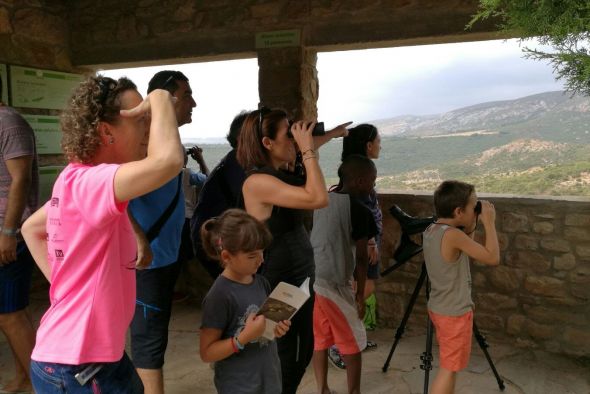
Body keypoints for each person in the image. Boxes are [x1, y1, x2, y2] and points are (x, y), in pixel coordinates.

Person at [21, 75, 183, 393]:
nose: (149, 129)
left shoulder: (77, 182)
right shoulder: (88, 183)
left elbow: (33, 228)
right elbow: (168, 161)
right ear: (106, 132)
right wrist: (161, 98)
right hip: (77, 366)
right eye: (140, 118)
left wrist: (70, 286)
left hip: (95, 358)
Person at [237, 107, 348, 393]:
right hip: (280, 282)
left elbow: (298, 153)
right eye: (289, 135)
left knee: (296, 348)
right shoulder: (258, 182)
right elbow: (318, 197)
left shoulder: (278, 173)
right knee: (288, 352)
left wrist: (329, 136)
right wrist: (309, 150)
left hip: (297, 277)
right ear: (267, 143)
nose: (294, 142)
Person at [127, 70, 197, 394]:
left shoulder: (162, 136)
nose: (193, 102)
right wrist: (137, 235)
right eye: (186, 95)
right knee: (148, 338)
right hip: (147, 261)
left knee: (155, 334)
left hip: (163, 256)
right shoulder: (142, 138)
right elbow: (109, 189)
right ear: (167, 98)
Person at [199, 209, 291, 394]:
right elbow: (207, 352)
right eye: (252, 256)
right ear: (226, 257)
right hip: (239, 386)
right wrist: (243, 338)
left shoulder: (261, 282)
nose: (261, 260)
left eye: (262, 252)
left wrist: (277, 327)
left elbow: (266, 327)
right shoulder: (219, 295)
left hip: (269, 379)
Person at [423, 180, 500, 394]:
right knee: (449, 368)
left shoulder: (433, 230)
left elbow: (465, 250)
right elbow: (492, 257)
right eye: (473, 206)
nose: (476, 209)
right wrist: (489, 222)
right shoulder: (453, 235)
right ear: (458, 211)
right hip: (454, 312)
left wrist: (472, 221)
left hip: (440, 306)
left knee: (450, 365)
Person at [311, 155, 378, 394]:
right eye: (372, 180)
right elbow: (361, 259)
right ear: (360, 181)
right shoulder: (360, 210)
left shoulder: (322, 200)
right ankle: (354, 391)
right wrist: (359, 295)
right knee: (353, 341)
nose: (373, 185)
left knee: (320, 338)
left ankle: (323, 389)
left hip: (315, 279)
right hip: (336, 283)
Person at [329, 123, 382, 369]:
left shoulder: (355, 168)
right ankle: (337, 343)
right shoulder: (360, 174)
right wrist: (370, 240)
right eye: (378, 141)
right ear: (368, 145)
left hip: (366, 239)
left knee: (360, 290)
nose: (380, 145)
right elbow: (357, 206)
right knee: (358, 291)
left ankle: (351, 339)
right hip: (363, 241)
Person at [0, 76, 38, 393]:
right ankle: (26, 377)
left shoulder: (9, 122)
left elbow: (20, 180)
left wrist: (8, 232)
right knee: (14, 312)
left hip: (8, 233)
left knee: (9, 314)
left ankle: (44, 383)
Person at [191, 111, 249, 279]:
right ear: (241, 139)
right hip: (214, 240)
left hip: (213, 236)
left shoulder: (235, 161)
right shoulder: (239, 164)